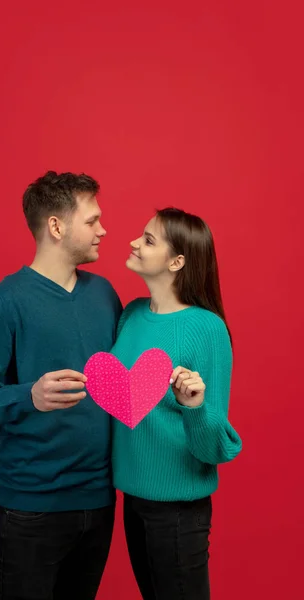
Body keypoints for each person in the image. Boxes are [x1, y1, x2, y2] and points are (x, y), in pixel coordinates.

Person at [0, 171, 122, 600]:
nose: (103, 230)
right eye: (92, 221)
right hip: (30, 511)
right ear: (56, 226)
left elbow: (121, 388)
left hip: (99, 504)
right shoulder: (5, 300)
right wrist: (27, 395)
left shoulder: (104, 294)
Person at [111, 207, 242, 600]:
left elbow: (213, 448)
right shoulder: (131, 315)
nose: (134, 242)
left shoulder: (205, 328)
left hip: (178, 513)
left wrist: (194, 406)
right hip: (131, 500)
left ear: (177, 261)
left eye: (148, 240)